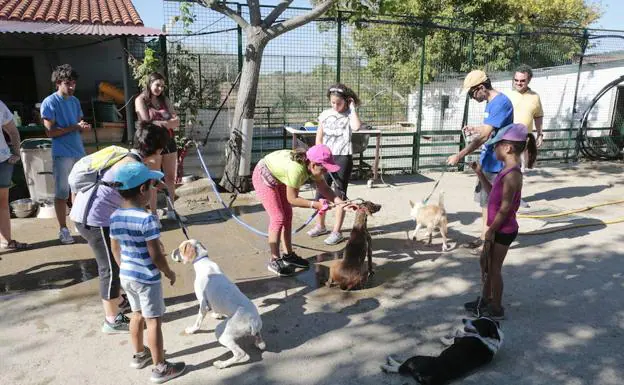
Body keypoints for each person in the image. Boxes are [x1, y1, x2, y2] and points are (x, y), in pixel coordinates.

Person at [70, 122, 170, 333]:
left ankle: (119, 298)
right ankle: (112, 319)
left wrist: (156, 182)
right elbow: (136, 198)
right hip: (94, 220)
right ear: (158, 149)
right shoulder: (134, 165)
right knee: (110, 267)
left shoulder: (129, 157)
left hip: (92, 213)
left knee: (120, 258)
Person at [110, 162, 186, 383]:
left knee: (136, 315)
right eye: (151, 185)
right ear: (143, 190)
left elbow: (116, 248)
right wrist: (169, 272)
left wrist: (124, 267)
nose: (154, 188)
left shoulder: (115, 216)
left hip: (127, 275)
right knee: (153, 322)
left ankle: (139, 355)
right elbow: (155, 255)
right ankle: (160, 367)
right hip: (147, 278)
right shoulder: (147, 219)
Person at [465, 123, 535, 320]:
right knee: (486, 264)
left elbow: (505, 208)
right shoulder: (505, 170)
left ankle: (496, 308)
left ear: (507, 148)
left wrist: (490, 230)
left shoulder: (513, 174)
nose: (492, 148)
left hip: (503, 230)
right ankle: (485, 299)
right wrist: (479, 173)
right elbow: (492, 193)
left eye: (495, 145)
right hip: (498, 227)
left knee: (494, 269)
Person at [252, 144, 349, 276]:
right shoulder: (296, 170)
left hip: (279, 176)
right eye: (324, 169)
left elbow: (324, 188)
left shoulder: (311, 166)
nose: (326, 172)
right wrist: (316, 205)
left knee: (288, 214)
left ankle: (288, 255)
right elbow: (292, 199)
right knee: (278, 217)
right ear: (314, 165)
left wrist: (340, 203)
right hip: (263, 175)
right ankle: (274, 259)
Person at [447, 70, 514, 254]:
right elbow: (490, 129)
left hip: (496, 162)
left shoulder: (500, 102)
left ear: (481, 88)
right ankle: (484, 237)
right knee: (485, 203)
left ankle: (488, 243)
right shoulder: (491, 103)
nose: (471, 97)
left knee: (491, 205)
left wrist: (459, 156)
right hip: (488, 160)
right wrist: (475, 128)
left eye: (471, 93)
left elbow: (485, 136)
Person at [40, 64, 91, 244]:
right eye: (68, 83)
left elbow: (77, 124)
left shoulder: (75, 101)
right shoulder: (49, 102)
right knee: (62, 193)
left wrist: (82, 126)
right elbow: (50, 132)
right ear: (58, 83)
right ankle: (63, 229)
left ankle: (77, 222)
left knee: (78, 189)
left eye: (74, 83)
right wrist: (75, 127)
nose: (72, 87)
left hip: (78, 151)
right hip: (62, 153)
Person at [307, 84, 362, 245]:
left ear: (346, 101)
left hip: (342, 158)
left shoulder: (349, 115)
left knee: (339, 194)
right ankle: (321, 225)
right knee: (320, 192)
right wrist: (318, 154)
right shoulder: (325, 114)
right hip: (325, 157)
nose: (335, 106)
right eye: (332, 103)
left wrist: (352, 108)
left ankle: (336, 231)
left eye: (339, 103)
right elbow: (319, 136)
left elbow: (357, 127)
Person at [135, 72, 182, 226]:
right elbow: (146, 122)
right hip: (152, 143)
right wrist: (167, 123)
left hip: (168, 141)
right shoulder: (140, 100)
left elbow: (177, 121)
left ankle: (171, 210)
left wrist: (163, 123)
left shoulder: (164, 99)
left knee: (170, 177)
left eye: (162, 86)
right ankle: (154, 214)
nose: (160, 88)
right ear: (149, 84)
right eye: (157, 85)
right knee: (154, 178)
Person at [506, 65, 544, 208]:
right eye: (516, 80)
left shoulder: (535, 97)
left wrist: (540, 133)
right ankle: (503, 198)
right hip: (506, 140)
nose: (518, 83)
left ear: (529, 80)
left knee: (519, 171)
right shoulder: (507, 95)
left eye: (522, 80)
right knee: (504, 170)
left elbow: (538, 116)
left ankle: (516, 198)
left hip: (524, 140)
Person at [0, 100, 29, 250]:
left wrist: (17, 153)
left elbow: (13, 131)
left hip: (2, 161)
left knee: (3, 203)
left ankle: (6, 241)